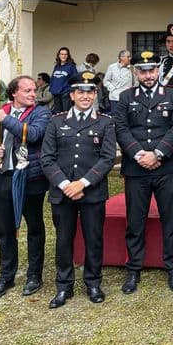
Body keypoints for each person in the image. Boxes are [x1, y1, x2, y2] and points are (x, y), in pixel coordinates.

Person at [40, 72, 116, 308]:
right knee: (63, 240)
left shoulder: (105, 122)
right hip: (62, 192)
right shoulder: (56, 121)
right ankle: (64, 286)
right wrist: (66, 185)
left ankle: (93, 283)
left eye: (90, 92)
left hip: (91, 192)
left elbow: (107, 158)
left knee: (93, 239)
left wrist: (82, 184)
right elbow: (47, 158)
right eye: (80, 92)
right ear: (72, 95)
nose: (85, 96)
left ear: (95, 95)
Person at [114, 51, 173, 295]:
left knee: (169, 219)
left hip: (165, 167)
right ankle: (133, 268)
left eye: (152, 70)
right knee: (135, 220)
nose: (147, 75)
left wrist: (158, 153)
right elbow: (121, 128)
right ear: (136, 73)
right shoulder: (125, 97)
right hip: (136, 168)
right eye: (143, 71)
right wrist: (138, 155)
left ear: (158, 71)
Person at [0, 75, 51, 299]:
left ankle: (34, 275)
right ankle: (6, 276)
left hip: (30, 178)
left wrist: (6, 119)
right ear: (14, 93)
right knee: (5, 229)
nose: (32, 94)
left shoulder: (41, 112)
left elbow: (34, 134)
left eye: (33, 90)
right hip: (2, 176)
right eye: (27, 91)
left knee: (34, 227)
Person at [49, 46, 78, 113]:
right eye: (62, 54)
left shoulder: (71, 66)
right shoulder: (57, 66)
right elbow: (53, 78)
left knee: (66, 112)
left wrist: (69, 90)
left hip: (65, 93)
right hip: (56, 93)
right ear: (59, 55)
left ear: (68, 56)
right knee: (58, 113)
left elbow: (75, 79)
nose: (63, 56)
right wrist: (51, 88)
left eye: (65, 54)